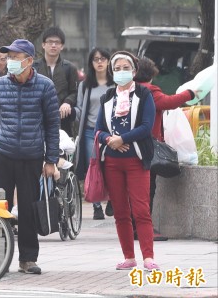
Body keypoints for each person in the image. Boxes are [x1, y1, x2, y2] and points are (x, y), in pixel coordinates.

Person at [0, 39, 60, 275]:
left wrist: (51, 160)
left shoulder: (45, 86)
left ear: (29, 60)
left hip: (31, 155)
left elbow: (52, 125)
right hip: (1, 152)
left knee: (27, 208)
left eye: (15, 57)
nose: (10, 61)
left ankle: (28, 259)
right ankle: (0, 260)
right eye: (8, 57)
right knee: (0, 208)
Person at [95, 51, 158, 271]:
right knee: (120, 211)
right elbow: (98, 129)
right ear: (112, 71)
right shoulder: (107, 97)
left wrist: (123, 138)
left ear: (134, 70)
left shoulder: (144, 94)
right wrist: (110, 139)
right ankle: (129, 257)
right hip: (112, 162)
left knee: (141, 210)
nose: (121, 72)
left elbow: (146, 126)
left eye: (126, 68)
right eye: (117, 68)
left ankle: (148, 257)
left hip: (136, 160)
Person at [133, 56, 198, 241]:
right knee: (147, 188)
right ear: (150, 74)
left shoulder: (127, 91)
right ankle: (144, 229)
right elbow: (169, 102)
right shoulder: (149, 91)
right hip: (146, 146)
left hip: (127, 145)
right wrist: (190, 94)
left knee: (134, 188)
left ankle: (133, 227)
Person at [74, 48, 115, 220]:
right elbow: (80, 108)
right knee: (95, 166)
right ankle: (97, 205)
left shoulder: (115, 84)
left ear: (108, 62)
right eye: (96, 59)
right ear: (91, 63)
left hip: (112, 132)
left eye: (103, 59)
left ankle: (112, 199)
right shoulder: (85, 85)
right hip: (91, 131)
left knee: (111, 166)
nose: (99, 62)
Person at [32, 26, 79, 137]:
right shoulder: (34, 67)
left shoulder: (69, 68)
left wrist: (67, 102)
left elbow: (75, 92)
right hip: (37, 120)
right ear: (43, 45)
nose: (53, 45)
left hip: (62, 120)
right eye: (50, 42)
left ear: (62, 46)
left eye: (57, 42)